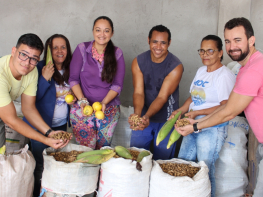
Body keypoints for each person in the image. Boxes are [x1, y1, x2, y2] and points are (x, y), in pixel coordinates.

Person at [175, 17, 263, 196]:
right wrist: (192, 120)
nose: (232, 46)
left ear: (251, 40)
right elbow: (227, 107)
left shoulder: (254, 69)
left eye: (238, 40)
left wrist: (195, 125)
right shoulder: (245, 69)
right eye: (228, 41)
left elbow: (228, 111)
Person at [170, 35, 236, 197]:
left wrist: (198, 112)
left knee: (204, 168)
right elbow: (193, 97)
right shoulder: (201, 71)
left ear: (220, 53)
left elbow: (225, 106)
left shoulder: (224, 75)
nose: (205, 54)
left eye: (210, 51)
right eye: (202, 50)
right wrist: (180, 110)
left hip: (212, 126)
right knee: (184, 162)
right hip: (192, 122)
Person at [23, 34, 74, 197]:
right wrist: (44, 79)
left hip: (60, 125)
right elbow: (30, 101)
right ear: (49, 51)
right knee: (40, 164)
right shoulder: (37, 68)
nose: (60, 50)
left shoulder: (71, 70)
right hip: (39, 126)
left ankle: (51, 193)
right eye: (55, 47)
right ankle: (37, 193)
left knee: (56, 160)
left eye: (63, 47)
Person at [0, 33, 69, 150]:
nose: (27, 62)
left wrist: (49, 133)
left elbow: (28, 108)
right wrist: (45, 139)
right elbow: (11, 120)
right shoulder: (1, 74)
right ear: (13, 51)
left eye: (33, 59)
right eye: (23, 54)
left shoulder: (32, 72)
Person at [69, 16, 125, 150]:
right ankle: (87, 172)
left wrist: (104, 103)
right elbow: (73, 79)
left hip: (108, 109)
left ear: (112, 33)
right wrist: (82, 101)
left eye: (106, 31)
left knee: (102, 151)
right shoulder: (82, 49)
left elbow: (117, 84)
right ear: (93, 31)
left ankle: (101, 172)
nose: (102, 34)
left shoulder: (117, 53)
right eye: (98, 30)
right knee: (85, 150)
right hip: (82, 110)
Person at [128, 25, 184, 160]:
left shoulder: (175, 66)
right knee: (136, 157)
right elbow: (139, 93)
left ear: (169, 43)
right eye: (155, 42)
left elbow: (162, 97)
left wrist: (146, 116)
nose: (158, 47)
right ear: (148, 40)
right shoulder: (138, 61)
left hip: (167, 119)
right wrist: (138, 116)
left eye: (163, 43)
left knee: (162, 161)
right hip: (143, 115)